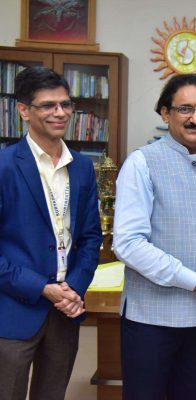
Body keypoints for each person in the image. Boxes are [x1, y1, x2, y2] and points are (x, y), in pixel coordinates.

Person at [113, 73, 196, 400]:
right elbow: (128, 243)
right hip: (152, 321)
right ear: (166, 113)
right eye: (185, 109)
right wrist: (194, 281)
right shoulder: (142, 163)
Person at [0, 66, 102, 400]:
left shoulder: (84, 167)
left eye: (65, 104)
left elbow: (90, 237)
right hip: (13, 312)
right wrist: (41, 288)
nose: (60, 113)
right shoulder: (3, 167)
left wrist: (74, 287)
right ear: (24, 110)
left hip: (65, 312)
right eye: (48, 105)